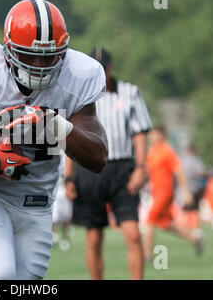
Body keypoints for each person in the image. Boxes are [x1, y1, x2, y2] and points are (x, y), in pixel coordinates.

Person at [0, 0, 108, 280]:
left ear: (63, 52)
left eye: (48, 56)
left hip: (38, 199)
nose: (39, 64)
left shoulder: (80, 75)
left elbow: (98, 157)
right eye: (29, 55)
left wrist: (53, 124)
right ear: (8, 50)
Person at [65, 47, 152, 280]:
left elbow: (140, 133)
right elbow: (69, 138)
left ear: (110, 68)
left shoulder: (129, 93)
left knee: (132, 234)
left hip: (122, 168)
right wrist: (68, 177)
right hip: (89, 168)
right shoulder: (78, 95)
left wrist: (141, 169)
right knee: (94, 236)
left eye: (102, 68)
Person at [142, 126, 203, 260]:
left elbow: (179, 171)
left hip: (164, 192)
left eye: (154, 135)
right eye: (150, 135)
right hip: (155, 191)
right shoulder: (152, 151)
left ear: (161, 135)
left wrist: (186, 192)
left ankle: (146, 254)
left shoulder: (166, 150)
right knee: (166, 224)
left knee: (150, 219)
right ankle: (195, 239)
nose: (151, 138)